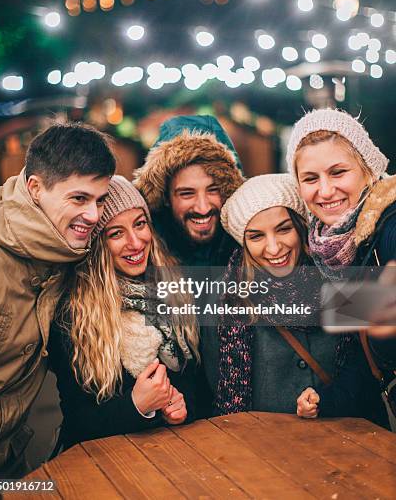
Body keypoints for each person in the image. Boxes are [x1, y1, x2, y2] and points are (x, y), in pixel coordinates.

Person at [0, 122, 116, 477]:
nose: (93, 216)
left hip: (10, 462)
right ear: (35, 188)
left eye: (100, 200)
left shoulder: (66, 252)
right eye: (79, 198)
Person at [48, 176, 200, 451]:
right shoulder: (75, 312)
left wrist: (178, 403)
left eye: (140, 224)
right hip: (104, 467)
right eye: (116, 233)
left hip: (170, 459)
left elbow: (194, 381)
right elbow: (77, 419)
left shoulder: (172, 290)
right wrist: (137, 406)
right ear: (97, 246)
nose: (135, 242)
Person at [200, 173, 343, 416]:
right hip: (263, 445)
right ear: (243, 243)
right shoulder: (223, 301)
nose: (274, 248)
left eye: (284, 229)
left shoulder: (337, 278)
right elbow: (216, 383)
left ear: (300, 227)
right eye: (256, 236)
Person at [286, 108, 396, 421]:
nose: (325, 190)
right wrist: (326, 401)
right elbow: (364, 357)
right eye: (310, 178)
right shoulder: (341, 247)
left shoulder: (389, 228)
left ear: (368, 170)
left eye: (338, 172)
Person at [133, 115, 244, 266]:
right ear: (165, 197)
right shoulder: (142, 256)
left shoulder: (252, 247)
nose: (203, 208)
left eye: (213, 190)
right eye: (187, 194)